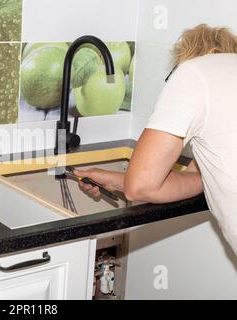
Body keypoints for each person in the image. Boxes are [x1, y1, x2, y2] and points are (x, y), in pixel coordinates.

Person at [75, 24, 237, 254]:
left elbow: (141, 187)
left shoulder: (193, 73)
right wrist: (119, 180)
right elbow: (197, 178)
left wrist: (132, 183)